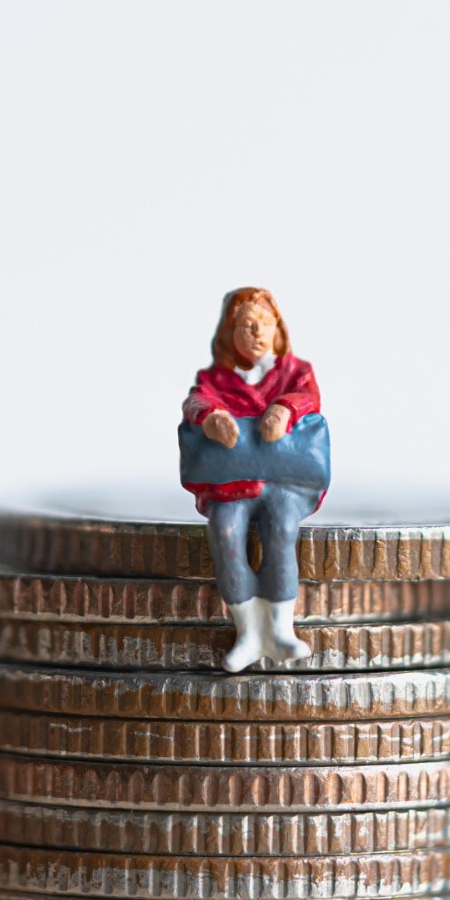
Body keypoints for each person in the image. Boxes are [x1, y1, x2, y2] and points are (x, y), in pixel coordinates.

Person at [179, 288, 329, 672]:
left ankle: (280, 628)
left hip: (285, 481)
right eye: (246, 325)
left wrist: (282, 408)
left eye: (265, 323)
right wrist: (212, 417)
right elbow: (196, 399)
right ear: (229, 334)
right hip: (232, 484)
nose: (257, 332)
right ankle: (247, 632)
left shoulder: (296, 371)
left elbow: (308, 397)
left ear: (278, 328)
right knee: (226, 532)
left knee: (281, 527)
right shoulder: (214, 377)